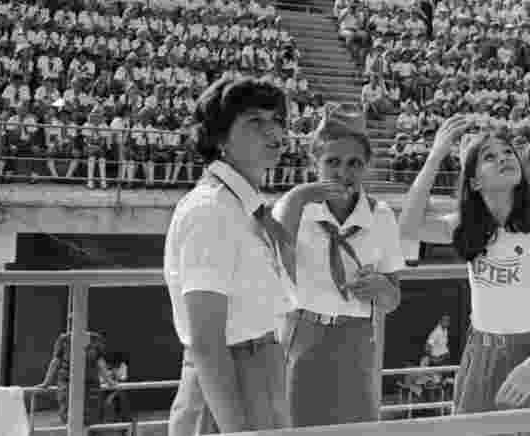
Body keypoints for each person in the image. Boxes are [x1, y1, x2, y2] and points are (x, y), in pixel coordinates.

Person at [399, 116, 530, 435]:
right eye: (489, 157)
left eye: (507, 153)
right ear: (474, 182)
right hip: (479, 353)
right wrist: (435, 156)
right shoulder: (466, 227)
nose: (503, 159)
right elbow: (407, 227)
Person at [164, 76, 294, 435]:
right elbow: (207, 345)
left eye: (278, 121)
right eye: (255, 122)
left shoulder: (243, 204)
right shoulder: (212, 210)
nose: (275, 134)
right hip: (229, 386)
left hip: (259, 370)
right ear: (219, 137)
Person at [272, 103, 404, 426]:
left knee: (355, 426)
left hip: (355, 338)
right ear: (314, 162)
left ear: (367, 167)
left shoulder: (381, 215)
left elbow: (392, 300)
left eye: (354, 163)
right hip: (302, 332)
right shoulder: (293, 208)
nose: (343, 173)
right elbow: (273, 272)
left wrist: (381, 289)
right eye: (332, 162)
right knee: (295, 425)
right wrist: (298, 198)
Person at [38, 329, 115, 425]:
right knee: (68, 416)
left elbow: (100, 361)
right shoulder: (64, 339)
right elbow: (56, 361)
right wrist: (46, 382)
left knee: (90, 418)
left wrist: (109, 381)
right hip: (67, 383)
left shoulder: (95, 339)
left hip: (90, 384)